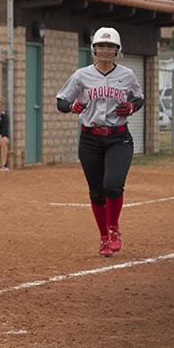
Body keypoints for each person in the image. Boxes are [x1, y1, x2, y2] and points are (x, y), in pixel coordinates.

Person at [56, 27, 144, 258]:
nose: (105, 50)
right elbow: (61, 101)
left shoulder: (127, 75)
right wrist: (72, 106)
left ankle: (114, 229)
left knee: (112, 185)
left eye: (110, 46)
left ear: (117, 51)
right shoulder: (81, 75)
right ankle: (104, 237)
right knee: (96, 192)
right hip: (90, 139)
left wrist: (133, 106)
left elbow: (138, 97)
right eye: (101, 46)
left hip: (118, 137)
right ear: (94, 49)